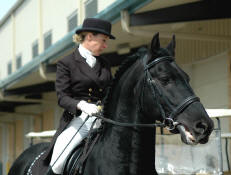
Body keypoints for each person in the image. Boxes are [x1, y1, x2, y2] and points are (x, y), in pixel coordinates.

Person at [45, 18, 115, 175]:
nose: (105, 46)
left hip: (104, 119)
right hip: (80, 120)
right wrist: (82, 105)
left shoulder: (105, 63)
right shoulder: (67, 63)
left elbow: (110, 91)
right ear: (89, 37)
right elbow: (62, 97)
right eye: (103, 40)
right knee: (58, 161)